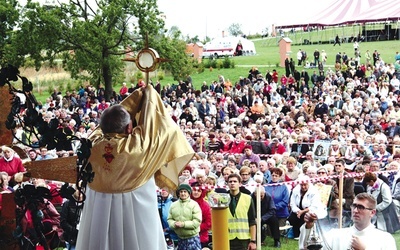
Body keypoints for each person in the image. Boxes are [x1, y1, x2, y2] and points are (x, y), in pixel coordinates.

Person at [76, 84, 194, 250]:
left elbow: (103, 126)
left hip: (98, 213)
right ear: (129, 127)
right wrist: (147, 95)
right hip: (137, 214)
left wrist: (133, 100)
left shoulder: (90, 146)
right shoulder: (139, 147)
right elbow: (166, 129)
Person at [299, 193, 396, 250]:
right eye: (354, 206)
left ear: (372, 212)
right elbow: (307, 247)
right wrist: (309, 226)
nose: (355, 210)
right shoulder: (336, 235)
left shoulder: (385, 239)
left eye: (361, 207)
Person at [168, 183, 202, 250]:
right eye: (181, 192)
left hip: (193, 238)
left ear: (189, 193)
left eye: (185, 191)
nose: (183, 193)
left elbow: (197, 221)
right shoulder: (173, 205)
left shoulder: (194, 204)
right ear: (178, 193)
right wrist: (174, 224)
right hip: (180, 238)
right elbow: (169, 219)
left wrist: (183, 224)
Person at [227, 173, 256, 250]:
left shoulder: (248, 198)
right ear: (227, 184)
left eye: (235, 181)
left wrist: (253, 241)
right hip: (227, 237)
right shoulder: (223, 199)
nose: (232, 183)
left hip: (243, 238)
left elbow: (252, 220)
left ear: (240, 184)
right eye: (230, 182)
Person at [190, 182, 212, 248]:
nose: (196, 192)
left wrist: (195, 228)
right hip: (187, 237)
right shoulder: (186, 203)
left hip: (201, 238)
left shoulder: (205, 205)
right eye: (194, 190)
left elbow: (208, 223)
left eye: (198, 191)